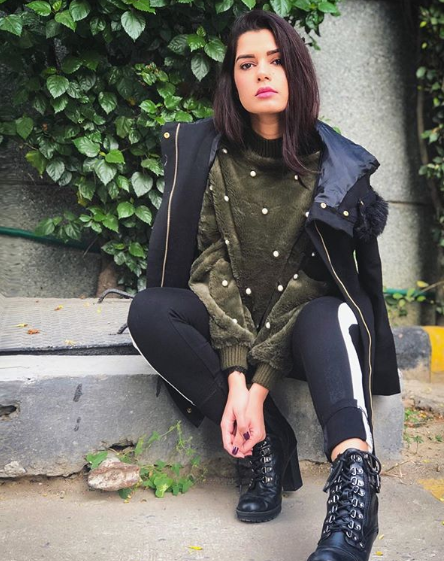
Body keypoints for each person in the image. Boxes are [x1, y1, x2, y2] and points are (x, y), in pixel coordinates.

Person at [127, 9, 400, 561]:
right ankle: (268, 443)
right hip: (232, 321)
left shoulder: (332, 165)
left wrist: (260, 385)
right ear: (233, 79)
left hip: (303, 334)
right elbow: (213, 262)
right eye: (246, 64)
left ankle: (354, 492)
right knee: (150, 310)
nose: (262, 73)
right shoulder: (213, 157)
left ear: (297, 72)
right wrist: (236, 381)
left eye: (275, 61)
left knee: (328, 312)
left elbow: (314, 282)